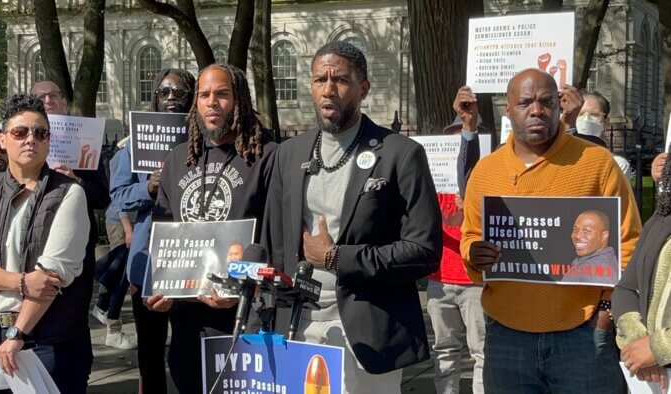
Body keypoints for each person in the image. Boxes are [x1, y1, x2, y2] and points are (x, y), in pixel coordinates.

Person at [262, 41, 440, 393]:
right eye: (320, 80)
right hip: (297, 328)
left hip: (368, 333)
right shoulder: (287, 154)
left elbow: (424, 250)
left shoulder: (400, 154)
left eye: (340, 80)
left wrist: (337, 258)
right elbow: (272, 244)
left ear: (364, 88)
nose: (328, 89)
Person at [460, 68, 642, 393]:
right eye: (525, 102)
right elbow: (470, 235)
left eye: (546, 101)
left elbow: (629, 243)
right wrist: (474, 254)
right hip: (506, 337)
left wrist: (605, 314)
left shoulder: (597, 163)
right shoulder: (486, 170)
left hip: (582, 336)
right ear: (509, 109)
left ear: (560, 106)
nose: (536, 110)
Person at [146, 63, 278, 393]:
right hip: (187, 322)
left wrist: (243, 286)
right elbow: (163, 231)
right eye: (204, 95)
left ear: (239, 100)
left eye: (221, 94)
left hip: (243, 322)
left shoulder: (268, 156)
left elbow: (274, 234)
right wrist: (158, 285)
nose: (211, 102)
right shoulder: (178, 159)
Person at [0, 93, 91, 392]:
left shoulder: (69, 193)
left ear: (49, 141)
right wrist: (22, 281)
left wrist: (17, 333)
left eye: (40, 133)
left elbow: (52, 274)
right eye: (20, 132)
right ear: (3, 139)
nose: (31, 140)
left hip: (46, 339)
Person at [110, 68, 195, 393]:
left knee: (191, 351)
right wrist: (148, 186)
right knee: (151, 354)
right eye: (165, 92)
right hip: (149, 267)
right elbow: (118, 198)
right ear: (154, 98)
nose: (172, 98)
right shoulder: (134, 146)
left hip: (194, 261)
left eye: (180, 92)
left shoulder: (205, 140)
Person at [30, 79, 111, 352]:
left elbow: (102, 197)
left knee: (74, 317)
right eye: (41, 97)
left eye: (54, 95)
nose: (48, 101)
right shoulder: (24, 145)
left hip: (76, 249)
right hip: (33, 246)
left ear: (64, 102)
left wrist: (75, 180)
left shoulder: (84, 142)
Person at [425, 86, 485, 394]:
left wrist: (472, 206)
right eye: (452, 137)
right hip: (439, 279)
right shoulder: (433, 185)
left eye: (460, 138)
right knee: (445, 351)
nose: (454, 145)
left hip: (474, 280)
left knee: (481, 354)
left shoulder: (482, 183)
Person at [612, 156, 671, 393]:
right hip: (653, 378)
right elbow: (626, 288)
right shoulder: (661, 218)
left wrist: (659, 347)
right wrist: (638, 342)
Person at [91, 138, 138, 350]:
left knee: (121, 271)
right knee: (122, 275)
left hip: (135, 221)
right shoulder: (125, 153)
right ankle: (112, 326)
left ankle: (103, 309)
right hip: (123, 222)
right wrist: (128, 228)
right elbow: (118, 192)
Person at [575, 90, 632, 180]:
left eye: (594, 115)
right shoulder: (558, 158)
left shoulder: (617, 164)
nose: (586, 119)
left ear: (606, 123)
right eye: (580, 114)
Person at [561, 210, 618, 284]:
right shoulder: (588, 262)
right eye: (575, 230)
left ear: (604, 236)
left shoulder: (598, 273)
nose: (578, 236)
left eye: (587, 230)